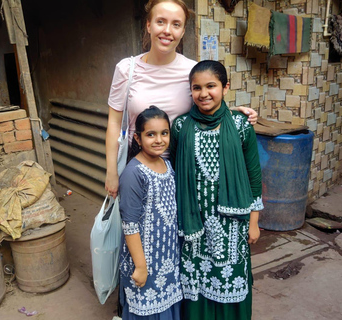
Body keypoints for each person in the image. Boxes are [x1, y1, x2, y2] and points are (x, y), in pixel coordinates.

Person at [106, 0, 258, 199]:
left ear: (183, 31)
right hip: (137, 168)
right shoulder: (126, 69)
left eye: (176, 24)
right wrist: (111, 172)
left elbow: (206, 107)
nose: (167, 30)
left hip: (184, 169)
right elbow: (114, 123)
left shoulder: (192, 71)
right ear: (149, 25)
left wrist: (234, 112)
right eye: (161, 22)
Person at [170, 60, 263, 320]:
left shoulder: (241, 125)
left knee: (231, 279)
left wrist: (254, 222)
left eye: (211, 86)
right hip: (193, 223)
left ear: (225, 87)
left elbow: (254, 176)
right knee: (196, 283)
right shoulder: (180, 126)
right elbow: (177, 172)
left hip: (232, 226)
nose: (204, 93)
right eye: (196, 88)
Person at [119, 106, 182, 320]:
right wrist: (140, 266)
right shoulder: (133, 173)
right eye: (150, 134)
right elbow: (130, 225)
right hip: (144, 262)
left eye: (164, 133)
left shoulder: (167, 165)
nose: (159, 140)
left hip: (167, 260)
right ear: (137, 138)